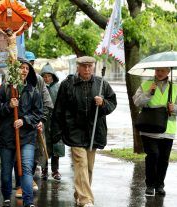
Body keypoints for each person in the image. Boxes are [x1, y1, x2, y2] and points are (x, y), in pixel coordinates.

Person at [52, 56, 117, 207]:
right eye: (84, 66)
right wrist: (56, 132)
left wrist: (103, 103)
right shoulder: (68, 84)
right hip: (74, 131)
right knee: (81, 164)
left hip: (94, 131)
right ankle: (86, 199)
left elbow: (112, 103)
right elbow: (59, 109)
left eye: (90, 66)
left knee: (88, 167)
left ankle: (79, 194)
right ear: (78, 67)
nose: (87, 69)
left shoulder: (102, 84)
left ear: (94, 67)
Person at [0, 59, 43, 207]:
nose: (24, 70)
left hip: (26, 137)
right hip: (6, 137)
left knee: (26, 168)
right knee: (6, 169)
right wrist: (8, 105)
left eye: (27, 68)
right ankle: (6, 197)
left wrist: (24, 120)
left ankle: (28, 201)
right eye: (21, 68)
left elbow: (38, 113)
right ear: (14, 71)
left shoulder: (33, 91)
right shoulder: (5, 89)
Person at [133, 67, 177, 196]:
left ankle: (160, 185)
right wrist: (148, 93)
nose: (159, 73)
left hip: (168, 130)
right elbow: (137, 101)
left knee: (164, 159)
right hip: (149, 129)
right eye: (157, 70)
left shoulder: (175, 88)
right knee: (153, 155)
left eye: (162, 70)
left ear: (168, 71)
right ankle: (150, 185)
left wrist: (174, 108)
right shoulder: (146, 85)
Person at [14, 52, 53, 198]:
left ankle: (28, 180)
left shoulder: (39, 80)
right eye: (23, 65)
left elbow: (47, 104)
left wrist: (41, 120)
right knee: (17, 156)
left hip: (34, 125)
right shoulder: (12, 79)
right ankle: (19, 185)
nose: (26, 69)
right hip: (17, 125)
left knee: (34, 155)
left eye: (30, 64)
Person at [40, 62, 64, 180]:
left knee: (56, 147)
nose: (47, 78)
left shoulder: (58, 87)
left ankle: (55, 170)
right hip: (44, 121)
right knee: (43, 146)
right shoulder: (39, 87)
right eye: (44, 76)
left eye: (49, 76)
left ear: (53, 76)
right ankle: (44, 170)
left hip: (56, 121)